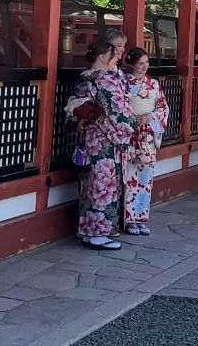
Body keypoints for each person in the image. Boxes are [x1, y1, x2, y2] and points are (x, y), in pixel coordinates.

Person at [66, 35, 134, 250]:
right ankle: (99, 232)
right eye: (114, 55)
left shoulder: (86, 77)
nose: (117, 59)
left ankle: (87, 230)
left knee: (90, 184)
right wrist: (130, 126)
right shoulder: (105, 79)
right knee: (104, 185)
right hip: (105, 139)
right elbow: (120, 110)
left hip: (90, 136)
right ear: (105, 56)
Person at [121, 47, 169, 235]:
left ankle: (141, 217)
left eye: (146, 63)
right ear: (131, 63)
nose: (144, 67)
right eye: (140, 64)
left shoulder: (154, 85)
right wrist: (134, 119)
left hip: (147, 135)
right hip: (130, 134)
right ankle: (128, 219)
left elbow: (163, 108)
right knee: (129, 176)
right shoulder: (123, 83)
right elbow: (120, 107)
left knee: (145, 177)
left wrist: (151, 117)